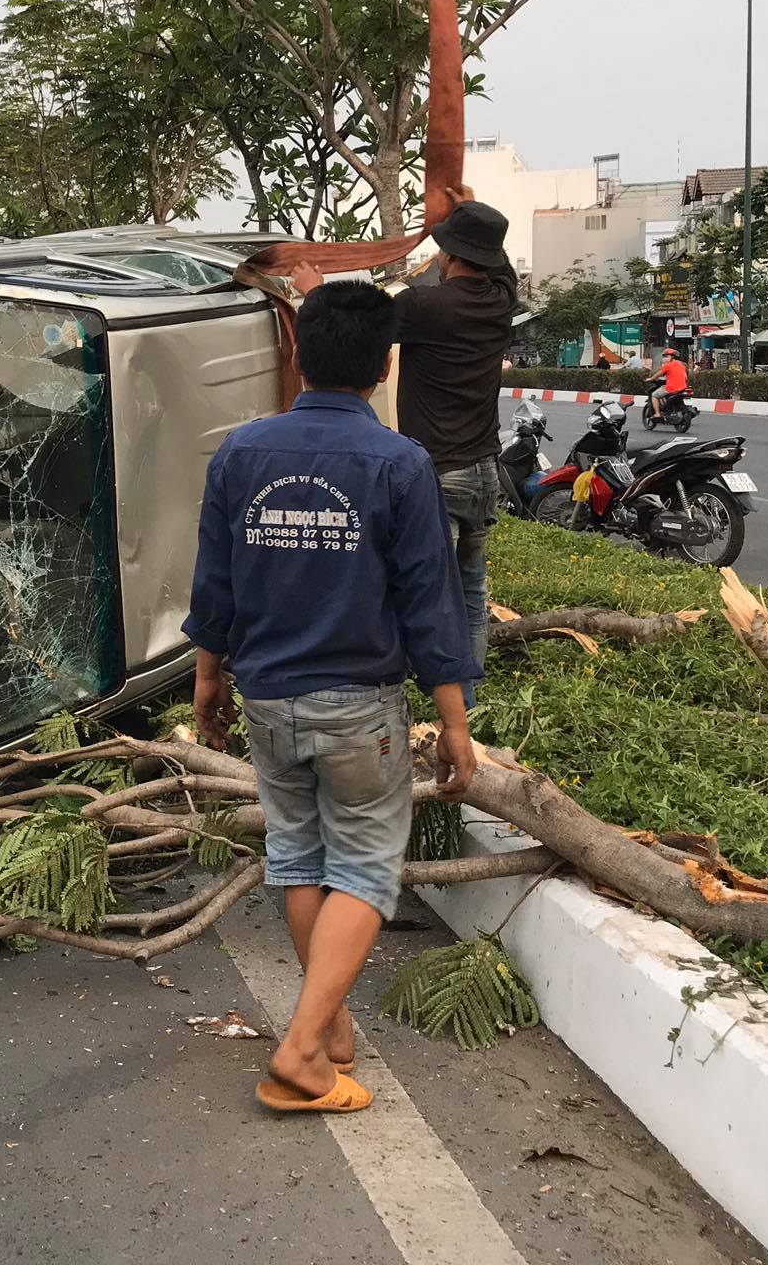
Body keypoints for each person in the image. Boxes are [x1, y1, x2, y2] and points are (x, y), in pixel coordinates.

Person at [184, 280, 479, 1116]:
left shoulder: (240, 453)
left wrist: (209, 678)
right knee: (363, 867)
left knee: (301, 859)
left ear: (297, 354)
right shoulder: (400, 463)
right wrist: (454, 723)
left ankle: (332, 1026)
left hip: (267, 701)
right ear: (387, 363)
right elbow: (431, 601)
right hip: (358, 708)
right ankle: (302, 1054)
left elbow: (217, 583)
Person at [283, 189, 514, 681]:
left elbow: (356, 330)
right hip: (484, 471)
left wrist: (313, 291)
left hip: (440, 472)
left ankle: (444, 706)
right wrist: (469, 210)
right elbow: (501, 268)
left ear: (448, 254)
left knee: (431, 599)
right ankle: (469, 697)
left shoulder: (428, 305)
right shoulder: (501, 300)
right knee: (471, 588)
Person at [648, 346, 688, 420]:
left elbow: (658, 374)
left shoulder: (668, 365)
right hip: (683, 388)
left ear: (671, 357)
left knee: (654, 395)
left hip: (671, 388)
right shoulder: (681, 365)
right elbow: (686, 377)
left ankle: (657, 414)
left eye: (666, 356)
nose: (664, 358)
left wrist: (651, 378)